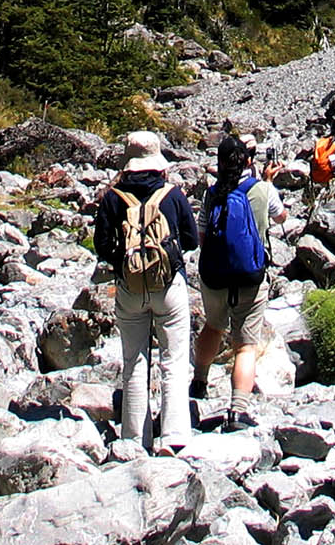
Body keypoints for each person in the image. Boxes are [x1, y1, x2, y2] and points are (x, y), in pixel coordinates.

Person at [93, 130, 198, 453]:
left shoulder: (112, 197)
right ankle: (174, 435)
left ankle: (134, 438)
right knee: (174, 359)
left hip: (129, 287)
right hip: (168, 284)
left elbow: (102, 245)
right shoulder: (172, 194)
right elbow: (192, 240)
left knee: (134, 361)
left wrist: (124, 264)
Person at [191, 135, 289, 430]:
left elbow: (202, 237)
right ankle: (237, 410)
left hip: (214, 276)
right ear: (249, 161)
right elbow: (282, 218)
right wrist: (269, 181)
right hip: (250, 276)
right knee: (245, 346)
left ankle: (199, 382)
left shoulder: (212, 194)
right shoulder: (262, 189)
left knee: (213, 325)